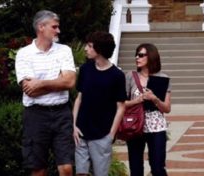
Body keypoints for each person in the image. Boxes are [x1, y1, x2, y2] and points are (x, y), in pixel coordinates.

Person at [15, 10, 76, 176]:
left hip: (62, 113)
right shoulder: (24, 54)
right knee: (37, 168)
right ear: (41, 27)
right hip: (36, 115)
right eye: (54, 27)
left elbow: (69, 82)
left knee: (67, 167)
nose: (58, 31)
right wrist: (58, 81)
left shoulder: (64, 50)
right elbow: (30, 91)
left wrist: (40, 83)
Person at [72, 31, 127, 176]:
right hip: (81, 133)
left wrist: (110, 135)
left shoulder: (117, 75)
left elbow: (121, 107)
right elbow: (79, 98)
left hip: (102, 135)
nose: (85, 48)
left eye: (90, 46)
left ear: (100, 49)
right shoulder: (85, 69)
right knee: (80, 173)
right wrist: (74, 125)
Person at [125, 43, 171, 176]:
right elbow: (121, 103)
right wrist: (137, 100)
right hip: (135, 125)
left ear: (150, 56)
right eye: (136, 55)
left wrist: (154, 99)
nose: (136, 58)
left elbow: (167, 108)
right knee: (136, 168)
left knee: (158, 168)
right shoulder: (130, 77)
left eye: (140, 55)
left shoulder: (163, 78)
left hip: (156, 125)